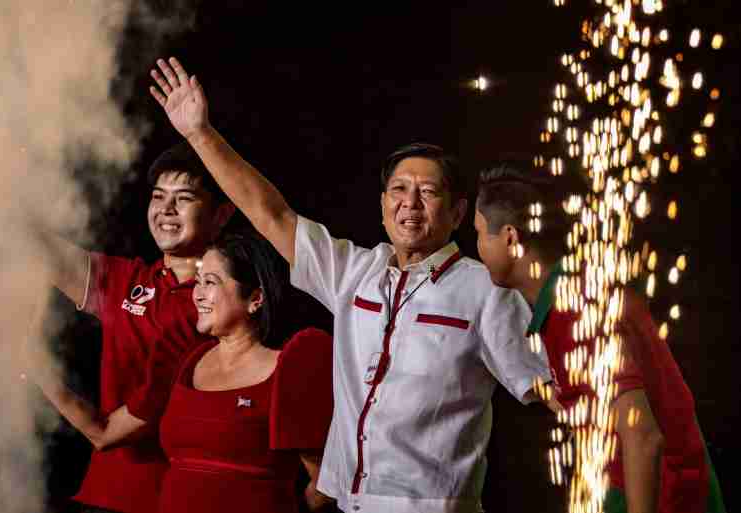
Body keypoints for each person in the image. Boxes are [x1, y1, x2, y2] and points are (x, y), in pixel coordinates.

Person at [147, 56, 551, 513]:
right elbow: (270, 214)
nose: (410, 204)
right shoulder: (354, 272)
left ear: (457, 213)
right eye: (398, 190)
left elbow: (553, 389)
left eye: (428, 191)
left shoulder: (486, 291)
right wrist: (200, 134)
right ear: (381, 206)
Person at [472, 161, 727, 513]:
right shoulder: (577, 292)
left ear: (510, 238)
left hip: (667, 500)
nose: (477, 248)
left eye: (480, 233)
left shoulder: (574, 310)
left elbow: (642, 436)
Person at [24, 142, 235, 513]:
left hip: (169, 500)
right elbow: (37, 247)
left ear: (221, 215)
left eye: (183, 198)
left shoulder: (218, 306)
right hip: (100, 494)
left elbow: (105, 435)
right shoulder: (131, 278)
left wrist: (33, 364)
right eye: (158, 197)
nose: (166, 210)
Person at [157, 229, 334, 513]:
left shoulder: (287, 368)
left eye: (211, 282)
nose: (197, 294)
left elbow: (325, 484)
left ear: (255, 298)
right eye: (198, 281)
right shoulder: (192, 360)